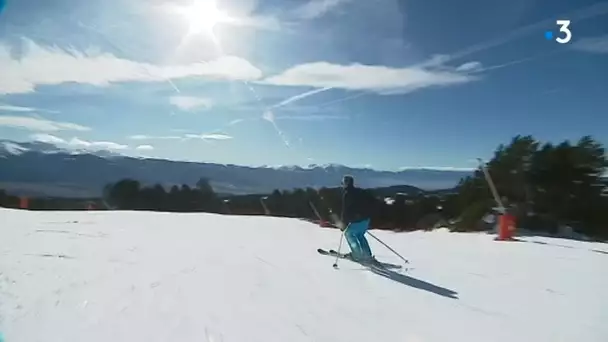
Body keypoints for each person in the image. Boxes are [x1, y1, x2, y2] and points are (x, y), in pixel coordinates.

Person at [340, 175, 375, 263]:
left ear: (346, 183)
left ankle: (356, 255)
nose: (342, 184)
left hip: (357, 221)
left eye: (343, 183)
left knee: (349, 234)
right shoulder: (360, 191)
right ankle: (368, 256)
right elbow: (372, 201)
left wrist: (343, 224)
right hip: (366, 220)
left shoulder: (347, 194)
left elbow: (345, 211)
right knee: (360, 236)